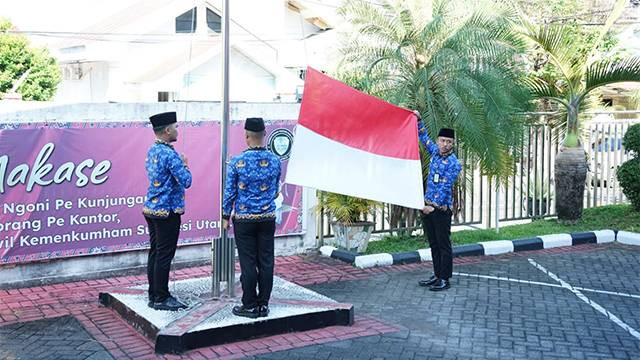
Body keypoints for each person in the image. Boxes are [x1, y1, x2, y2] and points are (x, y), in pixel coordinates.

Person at [222, 117, 281, 318]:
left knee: (248, 261)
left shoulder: (237, 162)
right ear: (264, 135)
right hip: (267, 218)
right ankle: (263, 304)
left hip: (244, 219)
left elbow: (229, 192)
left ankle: (249, 304)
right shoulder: (275, 160)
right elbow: (274, 191)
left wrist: (224, 216)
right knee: (266, 260)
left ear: (246, 136)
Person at [142, 111, 192, 311]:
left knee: (155, 253)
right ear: (167, 130)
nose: (177, 130)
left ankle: (154, 294)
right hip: (167, 212)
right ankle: (162, 297)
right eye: (176, 126)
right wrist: (186, 165)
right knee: (164, 255)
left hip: (152, 209)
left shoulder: (153, 150)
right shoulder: (170, 154)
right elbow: (186, 181)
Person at [415, 112, 461, 291]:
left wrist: (431, 207)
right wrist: (419, 120)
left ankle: (445, 278)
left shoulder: (454, 163)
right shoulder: (434, 152)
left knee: (444, 245)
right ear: (438, 140)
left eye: (449, 142)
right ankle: (436, 275)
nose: (445, 144)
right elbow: (424, 137)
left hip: (440, 210)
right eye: (442, 140)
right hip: (427, 207)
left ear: (453, 144)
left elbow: (445, 187)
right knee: (433, 244)